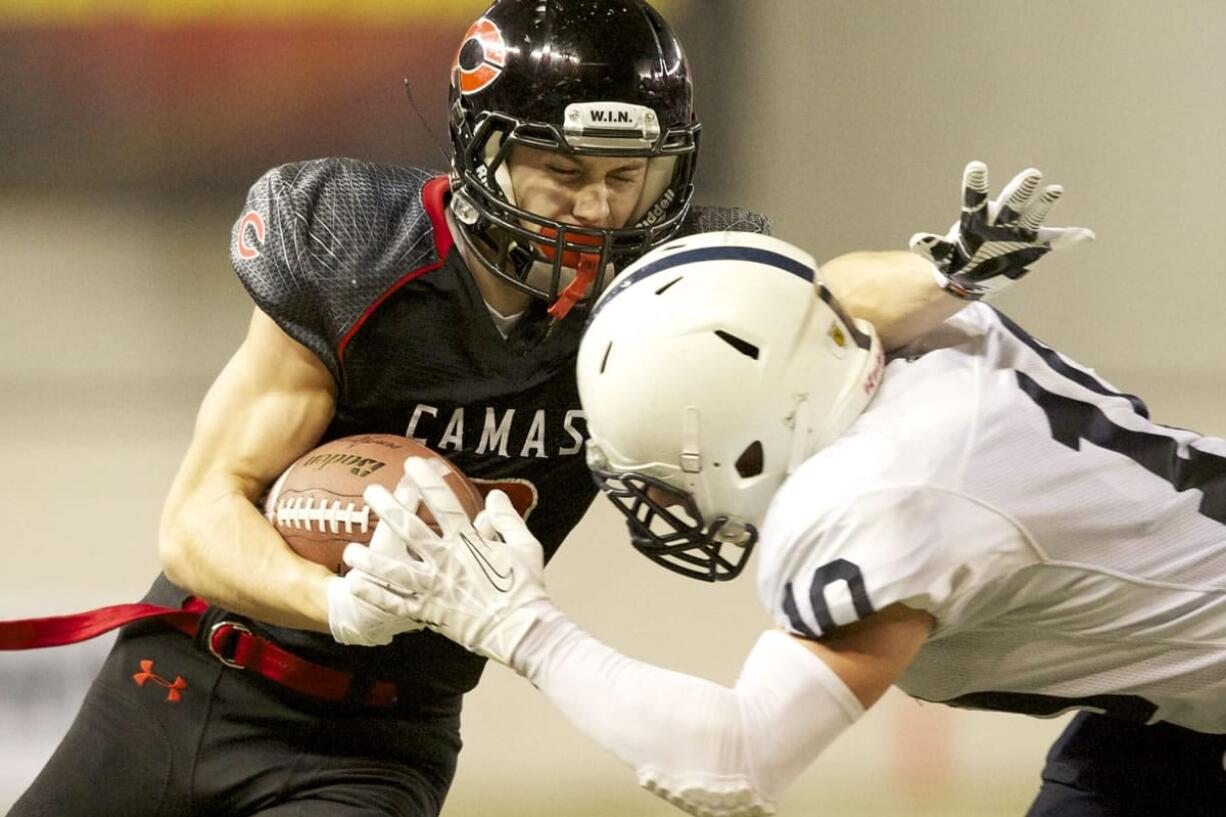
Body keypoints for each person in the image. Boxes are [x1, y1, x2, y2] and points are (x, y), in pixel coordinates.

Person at [2, 2, 1002, 815]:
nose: (596, 207)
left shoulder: (655, 286)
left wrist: (942, 271)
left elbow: (818, 297)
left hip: (381, 738)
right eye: (563, 171)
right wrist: (336, 604)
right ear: (483, 154)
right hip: (188, 681)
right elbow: (198, 516)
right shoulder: (358, 249)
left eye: (625, 176)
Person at [338, 172, 1226, 817]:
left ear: (744, 435)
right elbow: (830, 291)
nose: (668, 503)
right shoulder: (900, 346)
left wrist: (516, 626)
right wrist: (945, 262)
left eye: (666, 474)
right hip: (1176, 703)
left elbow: (731, 764)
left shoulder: (885, 492)